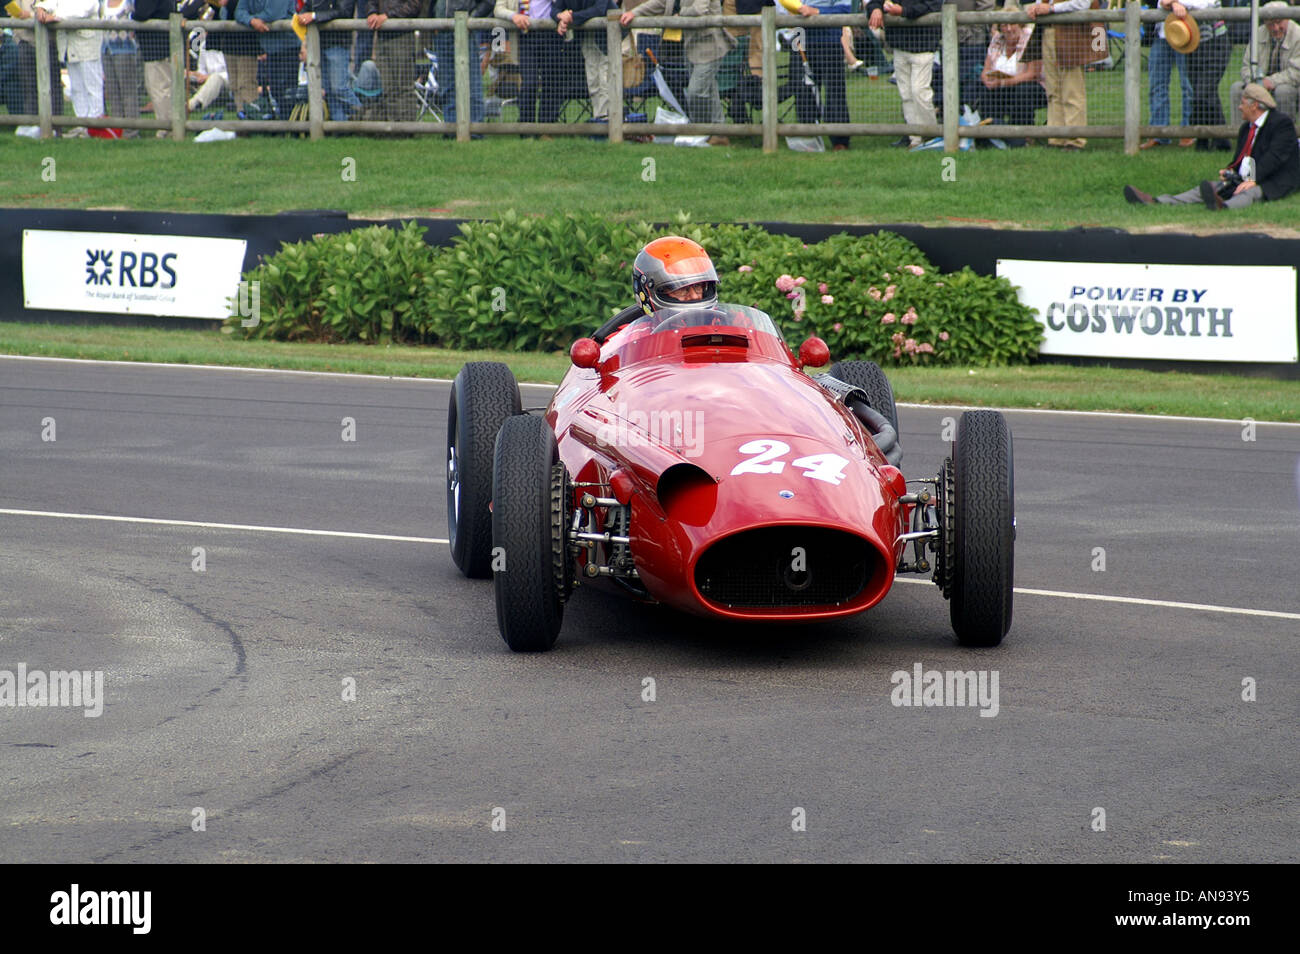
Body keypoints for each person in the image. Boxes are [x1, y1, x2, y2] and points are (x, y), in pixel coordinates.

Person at [1123, 83, 1299, 209]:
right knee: (1208, 188)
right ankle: (1156, 201)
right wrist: (1230, 171)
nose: (1239, 107)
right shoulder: (1247, 128)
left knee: (1250, 194)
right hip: (1248, 177)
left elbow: (1274, 158)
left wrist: (1253, 179)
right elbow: (1244, 157)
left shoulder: (1281, 124)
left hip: (1275, 180)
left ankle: (1224, 207)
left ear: (1254, 106)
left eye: (1243, 103)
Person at [621, 0, 735, 145]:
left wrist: (679, 14)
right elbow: (660, 3)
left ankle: (700, 131)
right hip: (689, 47)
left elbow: (699, 10)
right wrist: (634, 13)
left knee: (696, 91)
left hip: (710, 45)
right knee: (709, 88)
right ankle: (719, 134)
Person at [1026, 0, 1101, 150]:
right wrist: (1037, 7)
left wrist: (1053, 9)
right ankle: (1056, 137)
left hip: (1070, 31)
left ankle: (1075, 139)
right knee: (1053, 89)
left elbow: (1083, 3)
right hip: (1048, 30)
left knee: (1072, 89)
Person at [867, 0, 941, 149]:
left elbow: (932, 6)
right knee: (906, 94)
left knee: (919, 91)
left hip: (923, 45)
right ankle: (915, 139)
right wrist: (875, 9)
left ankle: (931, 135)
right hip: (899, 46)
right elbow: (874, 3)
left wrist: (903, 11)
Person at [1160, 0, 1230, 151]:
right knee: (1207, 94)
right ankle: (1215, 141)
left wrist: (1176, 2)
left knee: (1202, 93)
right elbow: (1162, 3)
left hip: (1216, 42)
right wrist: (1173, 4)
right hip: (1193, 44)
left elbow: (1205, 3)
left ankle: (1208, 137)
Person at [972, 9, 1044, 145]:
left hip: (1033, 87)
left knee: (1023, 90)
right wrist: (986, 78)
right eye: (1004, 25)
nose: (1008, 29)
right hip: (1001, 85)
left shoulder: (1030, 37)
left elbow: (1033, 73)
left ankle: (1022, 137)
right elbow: (986, 68)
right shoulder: (997, 39)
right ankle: (990, 133)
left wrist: (1004, 82)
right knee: (982, 87)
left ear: (1020, 24)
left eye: (1012, 24)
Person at [787, 0, 853, 151]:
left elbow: (844, 9)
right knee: (803, 91)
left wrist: (816, 11)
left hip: (829, 41)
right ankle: (808, 138)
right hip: (800, 41)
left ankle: (839, 140)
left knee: (834, 92)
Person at [35, 0, 104, 137]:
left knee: (92, 86)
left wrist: (55, 16)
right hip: (68, 47)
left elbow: (83, 11)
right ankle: (81, 124)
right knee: (76, 88)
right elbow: (50, 2)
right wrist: (41, 8)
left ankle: (95, 126)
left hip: (86, 45)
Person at [497, 0, 567, 130]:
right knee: (529, 82)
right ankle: (526, 128)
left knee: (552, 82)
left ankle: (546, 128)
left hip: (552, 34)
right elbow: (498, 9)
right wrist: (514, 16)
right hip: (526, 35)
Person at [1227, 1, 1300, 123]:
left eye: (1279, 22)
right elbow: (1246, 67)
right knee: (1237, 88)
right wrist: (1253, 83)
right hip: (1259, 84)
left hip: (1290, 86)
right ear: (1265, 22)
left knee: (1283, 91)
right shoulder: (1258, 33)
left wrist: (1271, 82)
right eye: (1271, 24)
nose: (1275, 28)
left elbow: (1297, 72)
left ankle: (1282, 136)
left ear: (1288, 19)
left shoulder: (1298, 35)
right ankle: (1243, 136)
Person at [1140, 0, 1195, 148]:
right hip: (1161, 34)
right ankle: (1158, 133)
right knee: (1157, 84)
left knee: (1188, 84)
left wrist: (1176, 2)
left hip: (1187, 32)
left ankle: (1187, 131)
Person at [299, 0, 363, 121]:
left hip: (337, 43)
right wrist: (301, 16)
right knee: (328, 92)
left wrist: (314, 16)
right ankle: (340, 128)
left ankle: (364, 118)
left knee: (339, 88)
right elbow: (308, 7)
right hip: (318, 43)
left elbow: (343, 11)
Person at [236, 0, 299, 118]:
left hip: (288, 46)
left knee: (288, 91)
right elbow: (238, 12)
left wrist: (250, 19)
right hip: (270, 48)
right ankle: (284, 124)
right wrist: (252, 21)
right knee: (275, 89)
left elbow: (274, 14)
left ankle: (292, 126)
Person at [556, 0, 616, 121]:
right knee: (592, 79)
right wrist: (561, 16)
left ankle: (608, 120)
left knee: (605, 79)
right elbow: (555, 9)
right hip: (586, 37)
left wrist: (572, 17)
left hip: (608, 36)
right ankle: (598, 119)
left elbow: (599, 10)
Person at [366, 0, 421, 123]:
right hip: (383, 36)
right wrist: (372, 13)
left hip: (402, 36)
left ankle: (406, 127)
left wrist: (388, 16)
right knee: (388, 86)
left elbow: (414, 5)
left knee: (404, 86)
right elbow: (372, 3)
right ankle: (392, 126)